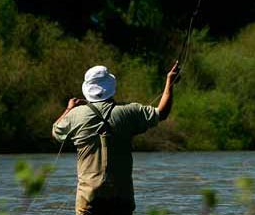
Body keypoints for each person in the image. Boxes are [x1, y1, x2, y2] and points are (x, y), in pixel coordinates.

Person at [53, 61, 178, 215]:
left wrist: (69, 109)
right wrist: (169, 82)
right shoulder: (129, 111)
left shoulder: (75, 115)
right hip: (122, 197)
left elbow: (56, 131)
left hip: (89, 197)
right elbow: (161, 113)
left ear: (87, 90)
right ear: (111, 87)